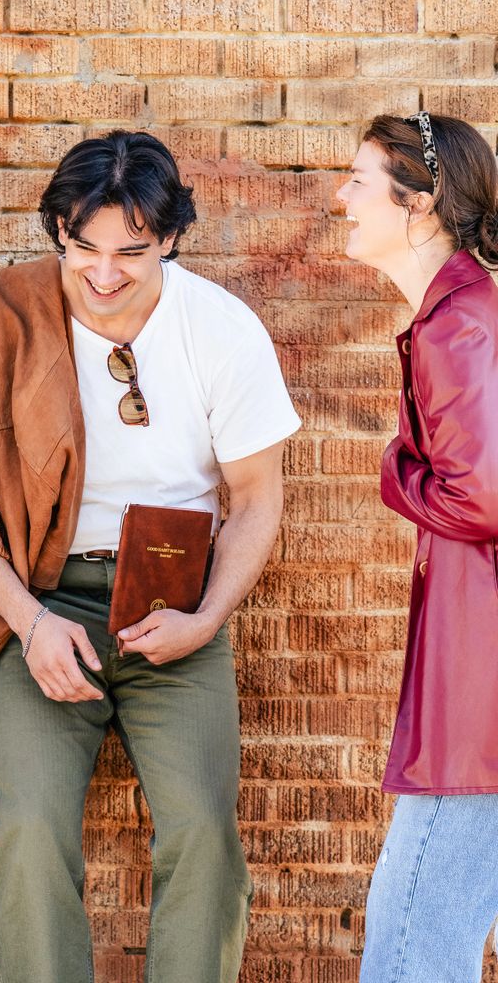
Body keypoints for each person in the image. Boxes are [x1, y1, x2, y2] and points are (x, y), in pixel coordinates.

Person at [0, 130, 301, 983]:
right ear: (58, 227)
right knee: (29, 833)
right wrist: (31, 622)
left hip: (176, 602)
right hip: (40, 601)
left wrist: (204, 620)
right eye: (83, 246)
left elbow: (256, 499)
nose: (103, 272)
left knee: (203, 828)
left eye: (131, 251)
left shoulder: (222, 331)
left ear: (169, 237)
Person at [337, 113, 498, 982]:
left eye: (360, 181)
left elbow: (481, 496)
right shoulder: (463, 310)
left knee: (409, 953)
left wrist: (397, 473)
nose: (341, 197)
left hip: (482, 696)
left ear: (422, 205)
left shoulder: (458, 324)